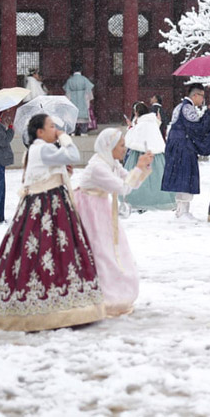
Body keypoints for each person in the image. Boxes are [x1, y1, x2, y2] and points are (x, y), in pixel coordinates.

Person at [0, 113, 106, 331]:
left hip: (38, 203)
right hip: (48, 204)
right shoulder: (43, 148)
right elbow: (74, 154)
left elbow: (51, 167)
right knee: (52, 248)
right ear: (39, 132)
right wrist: (65, 138)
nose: (54, 129)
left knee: (33, 250)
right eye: (51, 126)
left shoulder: (35, 150)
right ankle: (54, 306)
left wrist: (60, 167)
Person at [74, 128, 153, 317]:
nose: (124, 149)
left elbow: (130, 182)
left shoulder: (111, 163)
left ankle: (114, 292)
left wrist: (142, 168)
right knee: (98, 251)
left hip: (100, 207)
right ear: (109, 147)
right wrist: (138, 167)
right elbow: (123, 188)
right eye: (121, 145)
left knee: (111, 249)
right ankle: (100, 295)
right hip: (88, 209)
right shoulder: (98, 166)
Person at [161, 83, 210, 220]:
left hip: (176, 146)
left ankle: (181, 210)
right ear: (195, 95)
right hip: (184, 147)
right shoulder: (187, 108)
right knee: (185, 177)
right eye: (202, 96)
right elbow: (198, 128)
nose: (203, 99)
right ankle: (183, 211)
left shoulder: (179, 107)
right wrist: (208, 114)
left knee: (180, 178)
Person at [123, 102, 176, 211]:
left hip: (140, 155)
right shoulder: (153, 122)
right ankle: (160, 200)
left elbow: (132, 138)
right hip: (156, 155)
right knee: (158, 176)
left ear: (137, 112)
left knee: (139, 177)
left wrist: (130, 128)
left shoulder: (141, 124)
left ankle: (138, 200)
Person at [63, 66, 94, 135]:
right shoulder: (84, 79)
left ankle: (72, 131)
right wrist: (89, 99)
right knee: (83, 116)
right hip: (83, 99)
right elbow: (88, 91)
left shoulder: (70, 80)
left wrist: (68, 100)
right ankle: (83, 131)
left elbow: (67, 93)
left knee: (73, 116)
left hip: (72, 99)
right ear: (81, 71)